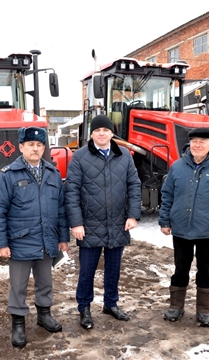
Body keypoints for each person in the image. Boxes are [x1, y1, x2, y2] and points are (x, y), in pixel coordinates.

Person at [0, 126, 70, 348]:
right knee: (18, 286)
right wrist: (1, 244)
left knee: (45, 283)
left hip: (46, 240)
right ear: (21, 147)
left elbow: (61, 210)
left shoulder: (53, 174)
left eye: (39, 145)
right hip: (19, 243)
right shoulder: (9, 175)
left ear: (44, 148)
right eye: (31, 145)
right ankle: (18, 324)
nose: (35, 149)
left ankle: (44, 316)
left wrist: (63, 239)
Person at [65, 114, 142, 330]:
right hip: (89, 225)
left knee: (113, 269)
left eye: (106, 130)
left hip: (118, 223)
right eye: (97, 130)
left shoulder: (124, 155)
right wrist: (76, 223)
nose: (101, 133)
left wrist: (133, 215)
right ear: (91, 134)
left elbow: (134, 185)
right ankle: (84, 308)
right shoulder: (80, 156)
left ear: (111, 133)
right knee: (87, 270)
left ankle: (111, 304)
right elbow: (71, 191)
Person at [158, 127, 209, 327]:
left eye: (202, 141)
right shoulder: (177, 167)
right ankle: (176, 306)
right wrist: (165, 221)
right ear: (189, 144)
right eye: (194, 141)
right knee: (180, 269)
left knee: (205, 270)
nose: (197, 145)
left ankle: (204, 310)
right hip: (182, 230)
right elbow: (167, 195)